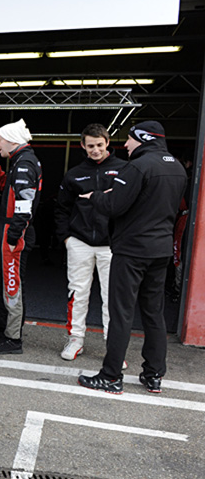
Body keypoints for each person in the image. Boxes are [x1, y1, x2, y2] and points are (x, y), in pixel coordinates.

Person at [77, 121, 187, 395]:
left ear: (143, 139)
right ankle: (153, 375)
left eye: (129, 139)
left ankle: (111, 376)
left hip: (132, 251)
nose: (125, 145)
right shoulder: (176, 167)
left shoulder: (137, 167)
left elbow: (114, 206)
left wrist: (96, 196)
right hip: (160, 251)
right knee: (154, 314)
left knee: (121, 313)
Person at [54, 123, 125, 360]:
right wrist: (66, 238)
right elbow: (61, 208)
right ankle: (75, 340)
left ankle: (112, 348)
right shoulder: (74, 173)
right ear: (83, 146)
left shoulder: (124, 170)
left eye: (99, 145)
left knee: (112, 297)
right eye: (90, 146)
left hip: (111, 245)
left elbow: (131, 208)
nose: (95, 150)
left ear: (107, 143)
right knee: (77, 292)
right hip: (80, 242)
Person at [0, 119, 42, 355]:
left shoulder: (25, 163)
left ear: (12, 140)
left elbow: (25, 204)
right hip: (10, 231)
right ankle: (1, 327)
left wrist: (13, 237)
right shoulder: (19, 161)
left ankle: (13, 339)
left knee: (12, 285)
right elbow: (7, 187)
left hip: (15, 233)